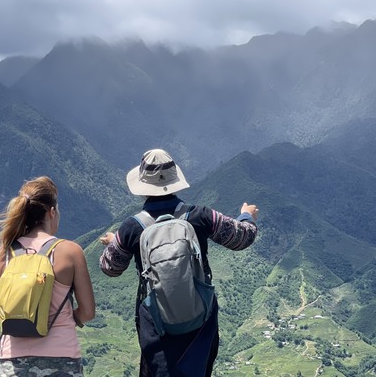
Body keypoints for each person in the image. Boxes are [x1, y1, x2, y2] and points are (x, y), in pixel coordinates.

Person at [99, 149, 258, 376]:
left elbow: (109, 268)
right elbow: (243, 237)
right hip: (200, 318)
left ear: (143, 185)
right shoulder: (199, 216)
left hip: (156, 322)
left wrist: (114, 242)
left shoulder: (131, 228)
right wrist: (246, 215)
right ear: (174, 180)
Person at [0, 176, 96, 377]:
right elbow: (88, 311)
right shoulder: (70, 251)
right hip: (62, 356)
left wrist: (20, 318)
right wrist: (62, 320)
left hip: (13, 361)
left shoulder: (3, 253)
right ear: (52, 212)